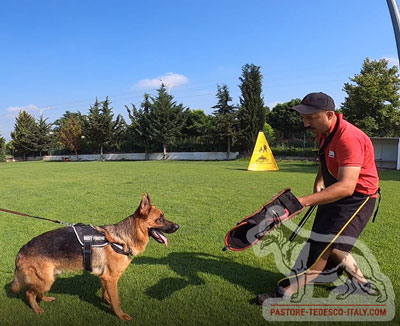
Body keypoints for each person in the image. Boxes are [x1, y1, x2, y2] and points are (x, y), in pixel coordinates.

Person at [256, 92, 380, 304]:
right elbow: (324, 158)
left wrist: (303, 200)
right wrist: (319, 181)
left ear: (330, 114)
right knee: (334, 244)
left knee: (323, 245)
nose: (306, 123)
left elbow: (348, 186)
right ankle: (361, 284)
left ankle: (285, 293)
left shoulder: (348, 138)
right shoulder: (324, 133)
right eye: (304, 118)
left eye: (311, 117)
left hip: (357, 198)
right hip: (335, 191)